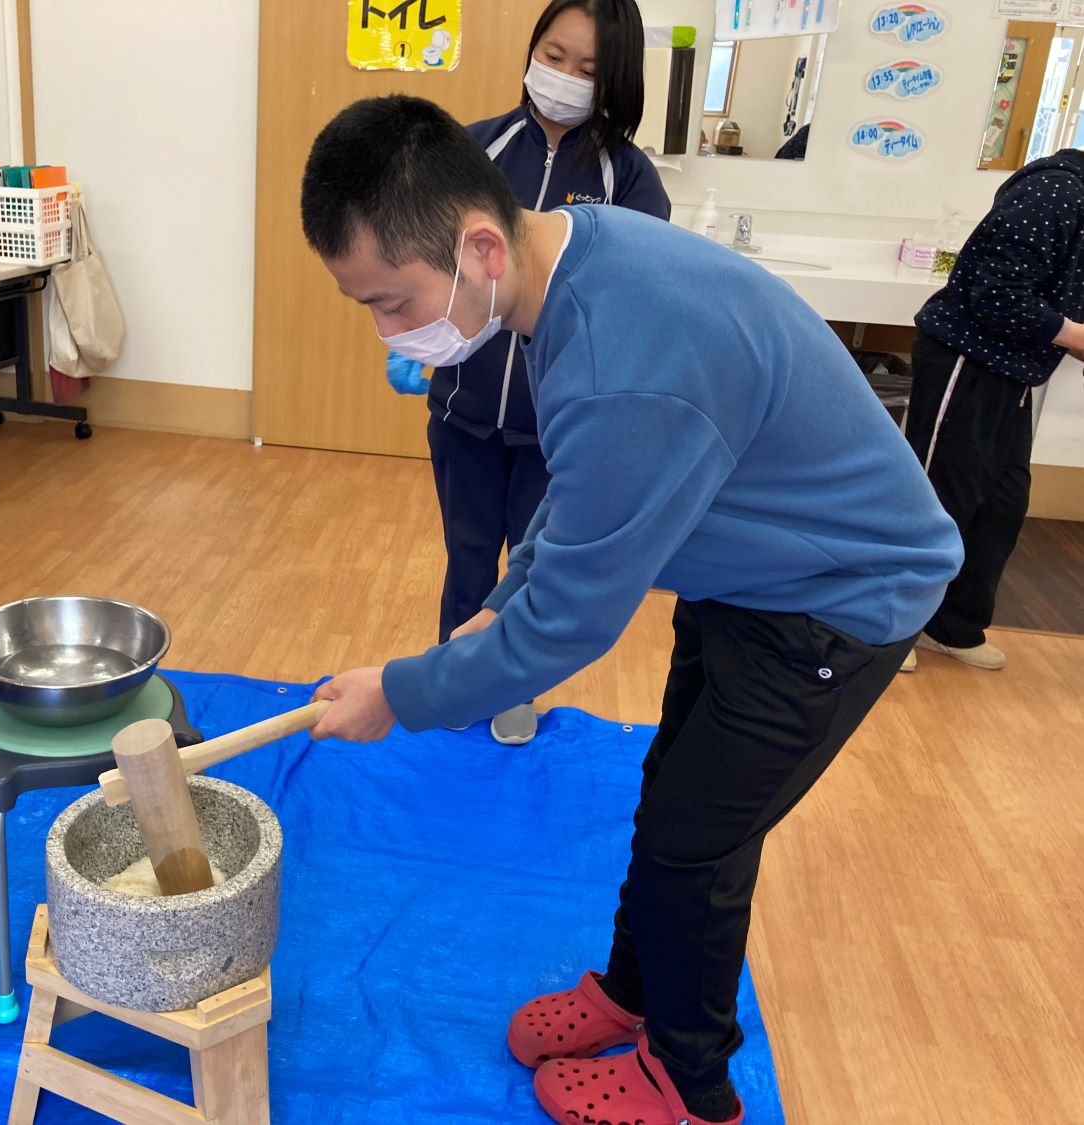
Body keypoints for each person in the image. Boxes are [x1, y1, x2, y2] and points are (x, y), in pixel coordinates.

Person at [299, 96, 961, 1125]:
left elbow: (572, 621)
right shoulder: (574, 256)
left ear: (479, 247)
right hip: (747, 568)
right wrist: (496, 607)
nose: (390, 331)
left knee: (699, 841)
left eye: (391, 300)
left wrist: (402, 693)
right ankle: (630, 996)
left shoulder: (620, 359)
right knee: (668, 799)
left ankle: (691, 1087)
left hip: (841, 597)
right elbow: (581, 491)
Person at [388, 0, 670, 747]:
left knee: (536, 570)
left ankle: (513, 689)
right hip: (464, 412)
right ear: (532, 49)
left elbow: (636, 307)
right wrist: (417, 341)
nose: (565, 78)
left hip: (562, 428)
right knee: (469, 557)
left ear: (614, 81)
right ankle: (453, 682)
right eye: (555, 55)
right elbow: (426, 265)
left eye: (587, 69)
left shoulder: (630, 181)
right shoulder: (474, 151)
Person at [900, 146, 1084, 673]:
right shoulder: (1056, 192)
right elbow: (997, 294)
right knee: (940, 497)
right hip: (968, 358)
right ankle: (889, 629)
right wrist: (1073, 335)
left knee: (1001, 503)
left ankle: (952, 625)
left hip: (1016, 371)